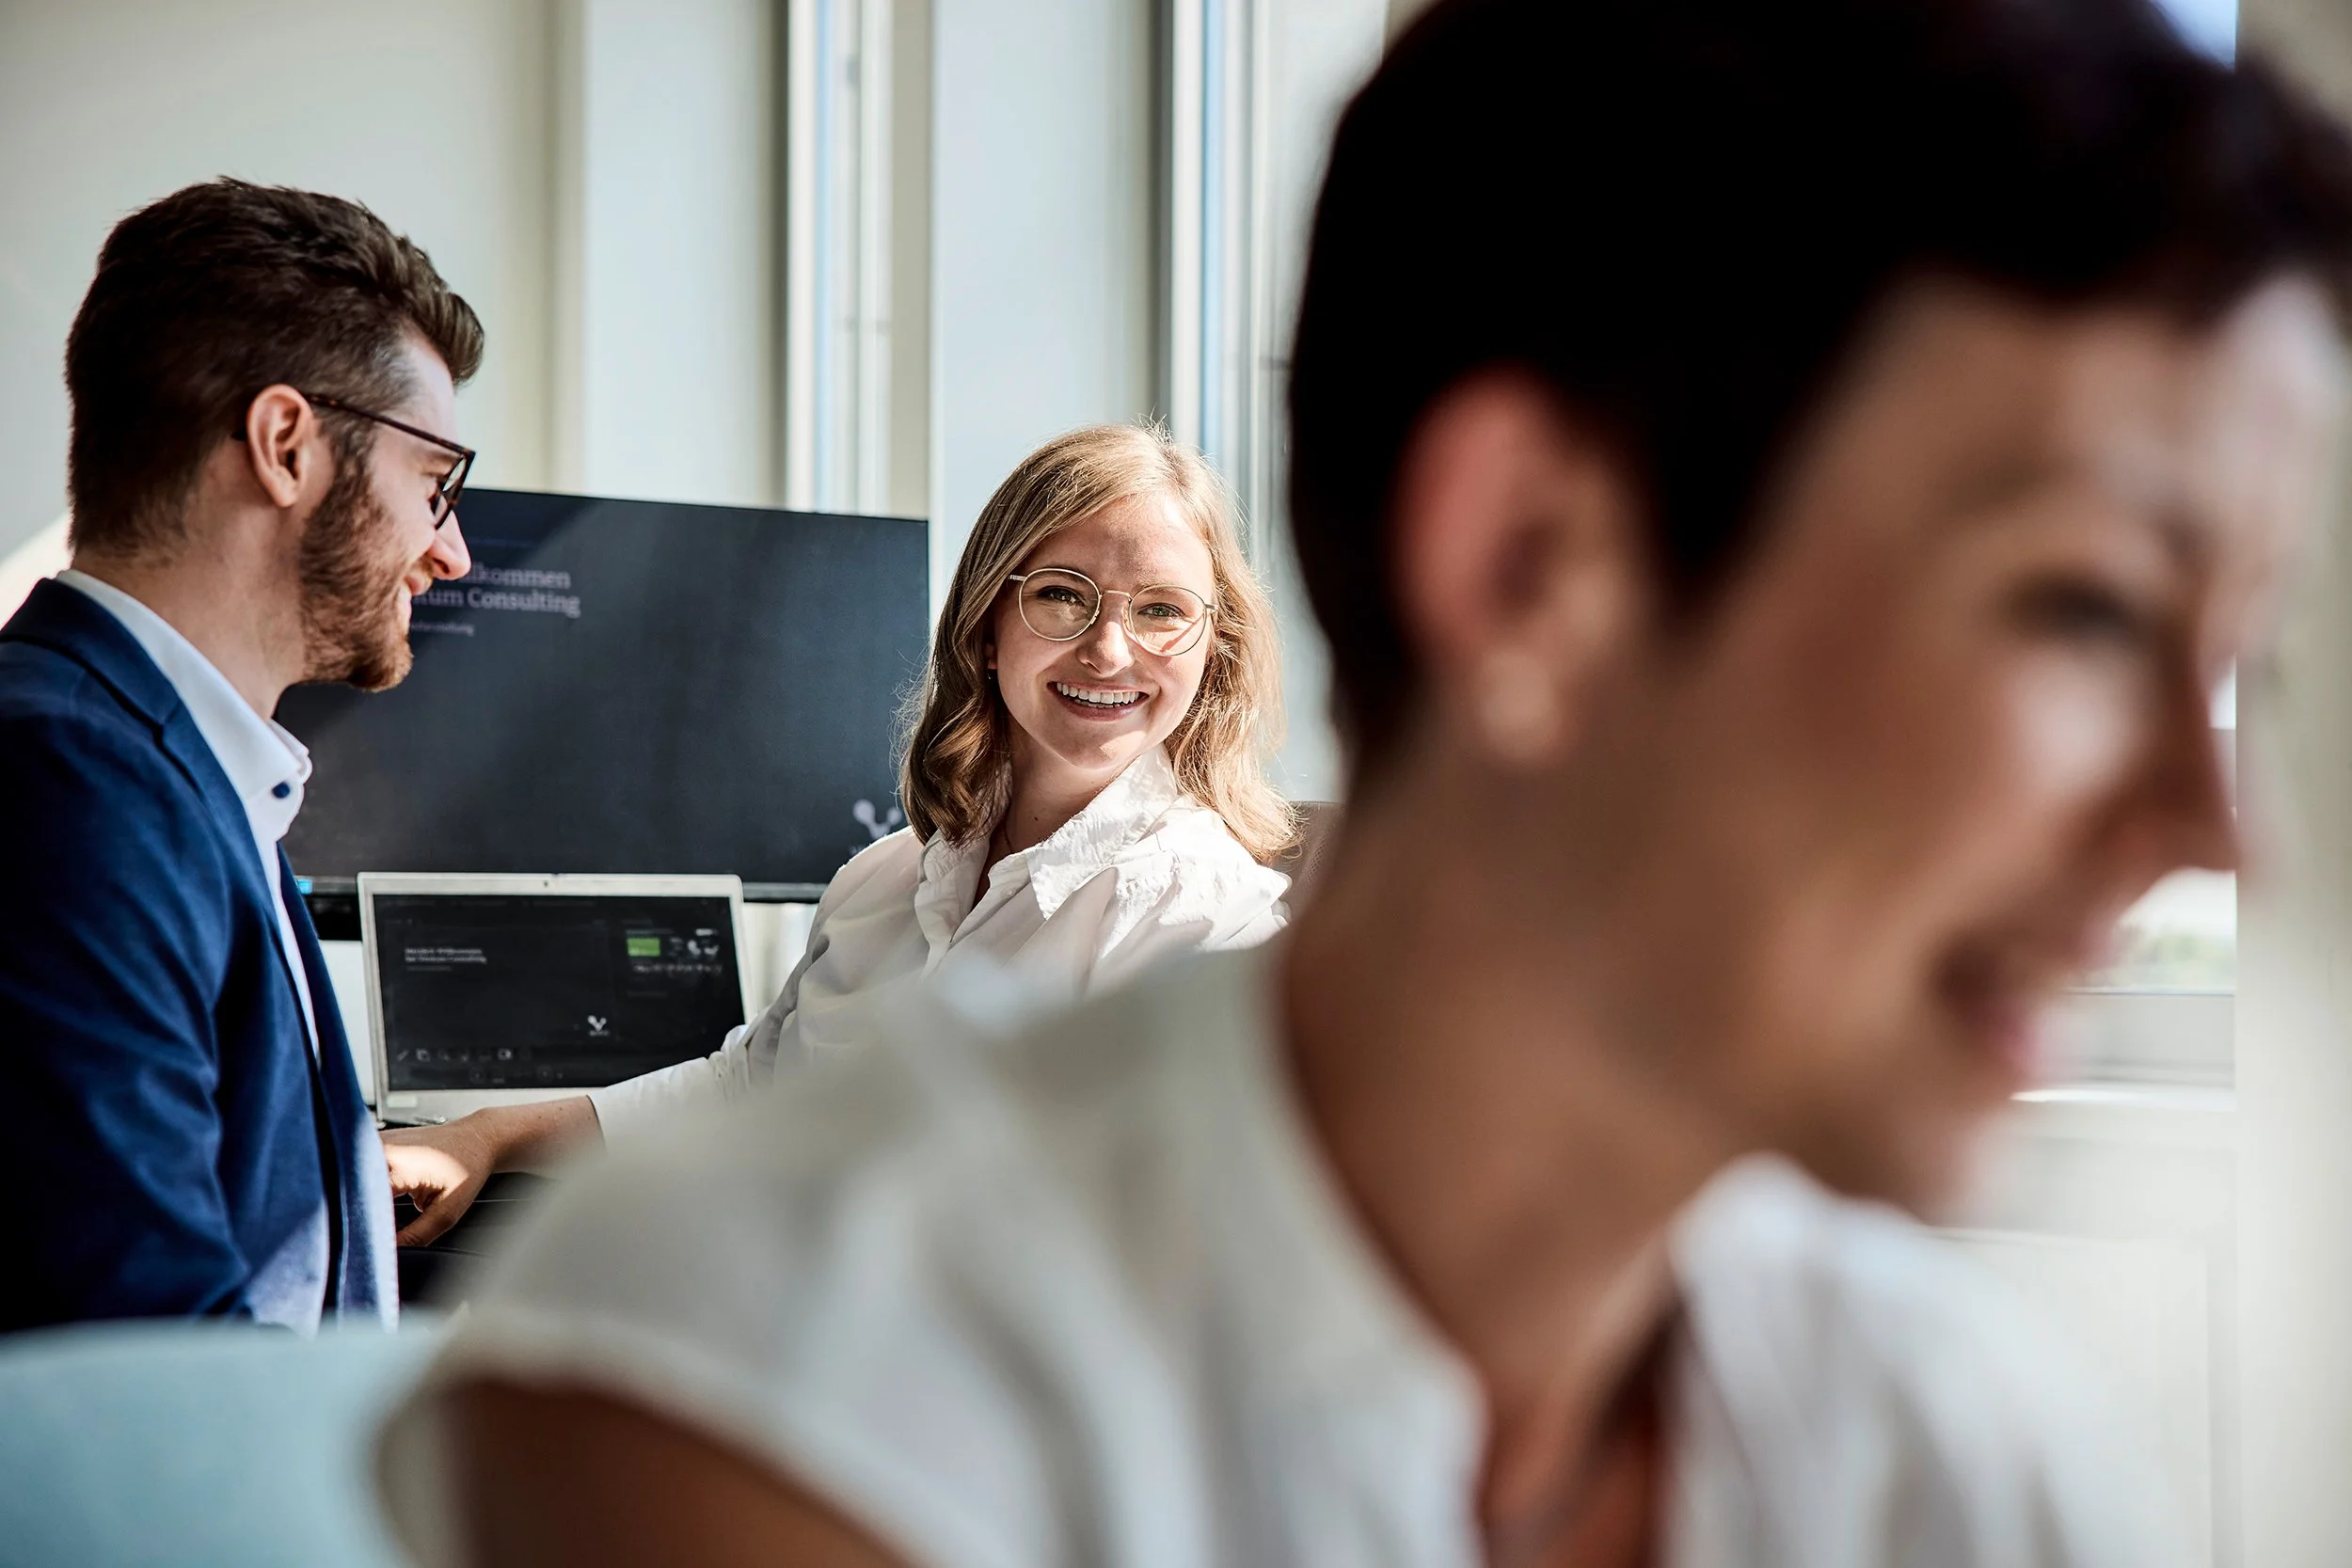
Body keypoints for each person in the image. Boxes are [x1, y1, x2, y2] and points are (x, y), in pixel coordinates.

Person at [378, 0, 2352, 1562]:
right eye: (2081, 611)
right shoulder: (762, 1369)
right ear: (1526, 566)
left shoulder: (1952, 1435)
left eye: (2229, 663)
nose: (2211, 823)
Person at [383, 423, 1293, 1244]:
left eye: (1162, 610)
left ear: (1213, 649)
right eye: (1063, 596)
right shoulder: (884, 880)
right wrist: (484, 1136)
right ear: (986, 626)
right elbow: (752, 1087)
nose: (1109, 649)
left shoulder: (1210, 933)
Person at [0, 180, 481, 1331]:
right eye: (435, 483)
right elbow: (153, 1354)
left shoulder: (168, 769)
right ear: (284, 445)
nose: (451, 551)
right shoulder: (71, 780)